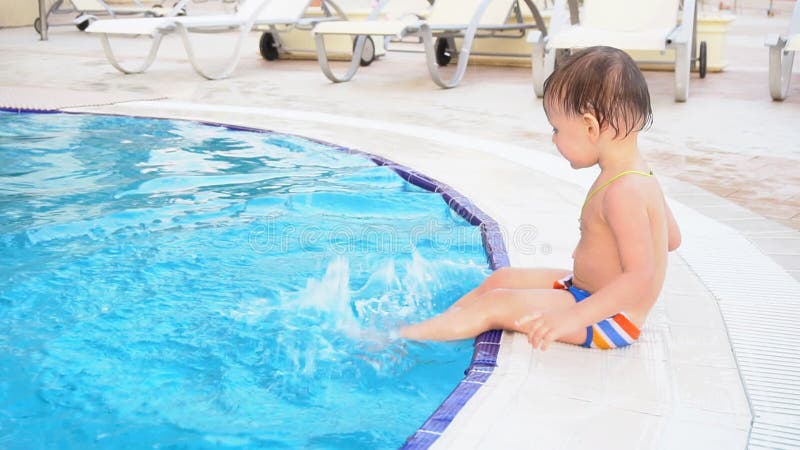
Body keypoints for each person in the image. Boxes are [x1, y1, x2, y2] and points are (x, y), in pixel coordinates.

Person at [400, 46, 681, 350]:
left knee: (494, 305)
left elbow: (640, 277)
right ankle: (441, 322)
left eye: (557, 128)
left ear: (590, 126)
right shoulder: (639, 174)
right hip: (586, 291)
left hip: (608, 318)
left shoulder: (622, 192)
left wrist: (571, 317)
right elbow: (672, 239)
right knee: (500, 279)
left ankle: (403, 339)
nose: (553, 138)